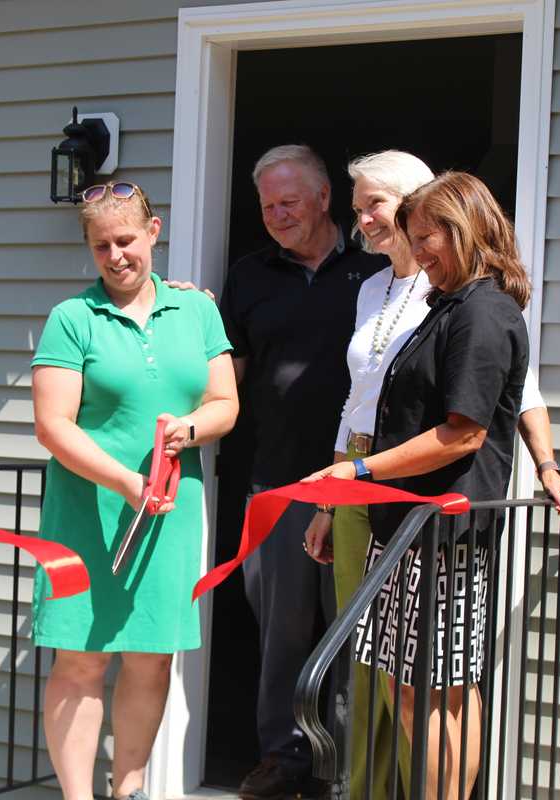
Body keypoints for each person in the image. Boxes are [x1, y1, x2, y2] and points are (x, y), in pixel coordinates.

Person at [301, 152, 560, 799]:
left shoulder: (482, 313)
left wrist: (360, 470)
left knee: (431, 694)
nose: (418, 249)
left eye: (426, 236)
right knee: (430, 691)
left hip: (441, 538)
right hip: (411, 530)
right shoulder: (446, 306)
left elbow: (468, 430)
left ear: (461, 228)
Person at [31, 181, 239, 800]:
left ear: (154, 232)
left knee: (151, 656)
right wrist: (123, 480)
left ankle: (131, 788)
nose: (116, 255)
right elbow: (53, 425)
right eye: (101, 247)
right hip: (87, 511)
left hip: (167, 512)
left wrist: (190, 428)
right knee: (81, 660)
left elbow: (225, 402)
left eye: (126, 240)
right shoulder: (73, 318)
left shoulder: (196, 311)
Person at [219, 144, 387, 799]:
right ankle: (283, 758)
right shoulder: (249, 275)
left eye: (289, 201)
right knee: (281, 633)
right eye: (266, 206)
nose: (277, 215)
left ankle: (344, 770)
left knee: (355, 630)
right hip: (280, 483)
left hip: (365, 483)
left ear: (324, 198)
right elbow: (223, 366)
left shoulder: (378, 267)